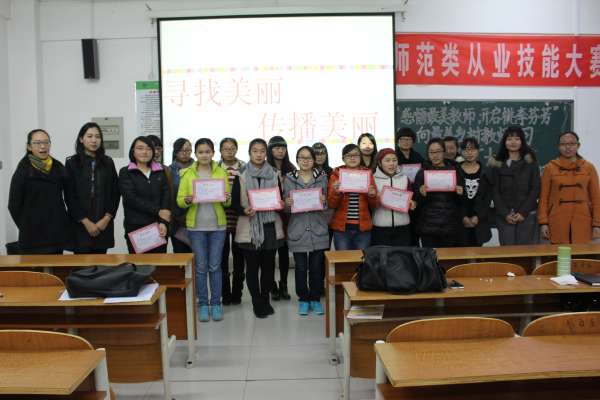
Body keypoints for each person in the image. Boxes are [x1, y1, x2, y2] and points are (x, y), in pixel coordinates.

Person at [177, 138, 231, 322]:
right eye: (200, 152)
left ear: (213, 153)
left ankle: (215, 304)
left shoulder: (221, 172)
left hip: (217, 226)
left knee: (215, 267)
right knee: (200, 268)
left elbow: (228, 202)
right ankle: (202, 305)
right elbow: (179, 200)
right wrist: (186, 200)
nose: (204, 155)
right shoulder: (187, 174)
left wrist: (227, 198)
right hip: (196, 227)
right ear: (195, 154)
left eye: (208, 152)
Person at [231, 138, 286, 319]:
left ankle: (265, 299)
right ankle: (256, 301)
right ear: (249, 153)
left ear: (266, 153)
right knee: (253, 268)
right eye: (255, 151)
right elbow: (234, 202)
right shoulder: (241, 174)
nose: (259, 154)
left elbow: (279, 199)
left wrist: (280, 204)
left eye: (262, 151)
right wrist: (244, 211)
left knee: (269, 267)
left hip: (270, 226)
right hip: (250, 227)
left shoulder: (275, 173)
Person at [8, 129, 74, 254]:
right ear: (29, 147)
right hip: (32, 239)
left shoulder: (58, 168)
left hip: (55, 236)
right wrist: (27, 227)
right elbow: (14, 205)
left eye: (46, 142)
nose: (43, 146)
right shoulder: (23, 171)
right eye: (37, 143)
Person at [283, 146, 329, 315]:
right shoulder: (289, 178)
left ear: (314, 160)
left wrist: (324, 201)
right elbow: (285, 207)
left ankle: (315, 299)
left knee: (316, 268)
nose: (305, 160)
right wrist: (287, 204)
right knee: (301, 268)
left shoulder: (322, 177)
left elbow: (327, 204)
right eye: (302, 157)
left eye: (309, 157)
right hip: (298, 228)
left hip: (318, 228)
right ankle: (303, 299)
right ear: (297, 160)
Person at [65, 122, 120, 254]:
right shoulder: (72, 163)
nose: (94, 140)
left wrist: (106, 219)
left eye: (97, 136)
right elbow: (69, 196)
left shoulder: (108, 162)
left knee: (100, 264)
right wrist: (85, 221)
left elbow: (116, 192)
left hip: (102, 224)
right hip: (80, 225)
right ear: (81, 139)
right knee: (81, 264)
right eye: (89, 136)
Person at [538, 131, 600, 244]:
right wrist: (543, 222)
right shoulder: (550, 168)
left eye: (572, 143)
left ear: (578, 145)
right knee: (559, 254)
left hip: (583, 221)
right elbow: (543, 198)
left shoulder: (589, 167)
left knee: (581, 254)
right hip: (557, 221)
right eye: (564, 144)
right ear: (558, 147)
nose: (568, 147)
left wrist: (597, 223)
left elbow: (596, 199)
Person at [489, 126, 541, 246]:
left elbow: (535, 188)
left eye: (517, 139)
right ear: (504, 141)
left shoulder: (530, 161)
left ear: (522, 141)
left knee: (523, 252)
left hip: (527, 214)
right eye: (509, 139)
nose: (513, 142)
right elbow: (495, 190)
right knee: (507, 251)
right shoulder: (498, 162)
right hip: (504, 215)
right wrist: (504, 214)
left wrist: (523, 212)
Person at [119, 136, 171, 254]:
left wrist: (163, 221)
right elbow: (131, 199)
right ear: (133, 151)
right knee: (139, 264)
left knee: (159, 263)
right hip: (137, 227)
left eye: (148, 148)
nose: (144, 152)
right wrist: (158, 211)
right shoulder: (126, 172)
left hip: (159, 227)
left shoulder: (160, 171)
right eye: (140, 148)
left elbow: (166, 196)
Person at [412, 138, 465, 248]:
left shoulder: (455, 172)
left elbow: (463, 202)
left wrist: (460, 193)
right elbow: (415, 203)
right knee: (429, 257)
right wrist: (421, 195)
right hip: (428, 226)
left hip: (449, 225)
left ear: (444, 152)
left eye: (438, 152)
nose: (435, 155)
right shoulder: (422, 173)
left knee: (447, 257)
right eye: (431, 152)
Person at [328, 143, 379, 250]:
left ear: (360, 157)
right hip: (342, 230)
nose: (352, 158)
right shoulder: (335, 177)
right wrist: (336, 192)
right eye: (348, 155)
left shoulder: (368, 176)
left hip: (362, 229)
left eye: (356, 155)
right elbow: (331, 205)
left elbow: (375, 206)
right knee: (343, 260)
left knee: (361, 260)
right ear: (343, 158)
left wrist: (372, 196)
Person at [217, 138, 247, 305]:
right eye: (225, 148)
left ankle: (237, 293)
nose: (229, 151)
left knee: (239, 257)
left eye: (232, 148)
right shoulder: (214, 168)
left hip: (240, 218)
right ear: (220, 151)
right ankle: (225, 293)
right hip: (220, 219)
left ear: (236, 149)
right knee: (222, 257)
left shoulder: (244, 167)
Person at [266, 136, 295, 301]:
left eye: (283, 148)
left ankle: (284, 284)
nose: (280, 151)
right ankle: (271, 285)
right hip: (271, 216)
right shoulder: (265, 169)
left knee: (284, 253)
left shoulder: (291, 168)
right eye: (277, 148)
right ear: (270, 150)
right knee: (270, 253)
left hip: (288, 217)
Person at [371, 148, 416, 246]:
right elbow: (370, 204)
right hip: (380, 228)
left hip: (402, 228)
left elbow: (410, 201)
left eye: (394, 160)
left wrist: (411, 205)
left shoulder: (405, 179)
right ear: (380, 163)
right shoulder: (373, 180)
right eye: (387, 160)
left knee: (401, 255)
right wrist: (374, 197)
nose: (391, 163)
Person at [456, 138, 493, 247]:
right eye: (466, 149)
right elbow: (451, 198)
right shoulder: (455, 170)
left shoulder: (486, 171)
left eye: (473, 149)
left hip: (479, 220)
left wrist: (477, 216)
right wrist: (462, 217)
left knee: (476, 252)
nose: (469, 152)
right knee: (459, 253)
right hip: (458, 221)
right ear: (462, 151)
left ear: (478, 151)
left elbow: (488, 197)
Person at [395, 127, 425, 247]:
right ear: (398, 141)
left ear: (413, 141)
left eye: (409, 139)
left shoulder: (418, 157)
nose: (406, 142)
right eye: (403, 139)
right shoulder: (393, 157)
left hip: (415, 197)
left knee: (414, 231)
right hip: (398, 196)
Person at [312, 142, 333, 296]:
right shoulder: (307, 172)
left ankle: (321, 284)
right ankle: (314, 285)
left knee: (324, 254)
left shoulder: (333, 172)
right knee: (314, 256)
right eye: (317, 153)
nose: (320, 156)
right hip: (312, 218)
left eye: (322, 153)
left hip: (330, 218)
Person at [169, 138, 194, 254]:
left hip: (196, 219)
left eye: (188, 150)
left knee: (198, 256)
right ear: (175, 152)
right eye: (181, 151)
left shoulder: (199, 169)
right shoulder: (169, 171)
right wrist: (177, 215)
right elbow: (169, 196)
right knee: (180, 255)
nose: (185, 153)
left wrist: (189, 215)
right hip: (177, 221)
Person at [148, 135, 175, 235]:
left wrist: (169, 222)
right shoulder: (133, 170)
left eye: (158, 149)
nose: (156, 152)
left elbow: (170, 197)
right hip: (140, 221)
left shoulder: (166, 171)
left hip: (162, 221)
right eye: (152, 148)